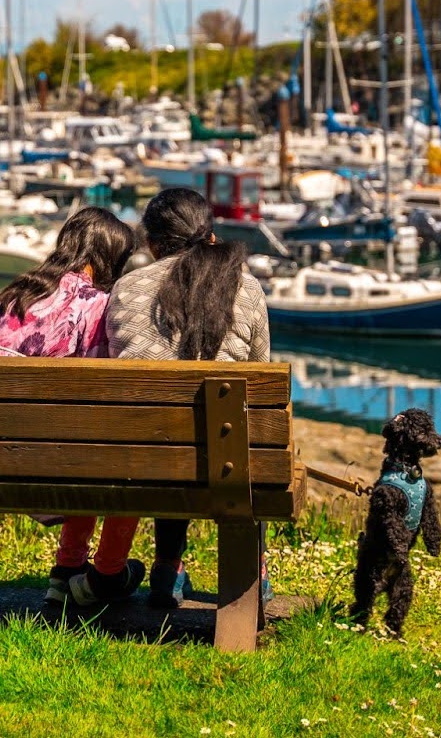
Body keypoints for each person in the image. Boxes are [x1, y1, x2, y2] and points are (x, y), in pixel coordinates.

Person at [99, 187, 271, 609]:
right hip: (226, 463)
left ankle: (167, 567)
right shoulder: (246, 289)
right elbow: (261, 378)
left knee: (166, 435)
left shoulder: (125, 289)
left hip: (141, 460)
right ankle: (255, 570)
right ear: (210, 236)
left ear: (152, 244)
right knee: (235, 434)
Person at [0, 206, 144, 606]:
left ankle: (66, 573)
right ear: (109, 260)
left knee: (76, 444)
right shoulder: (95, 305)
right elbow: (100, 397)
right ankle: (102, 575)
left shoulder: (13, 294)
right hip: (49, 460)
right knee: (109, 453)